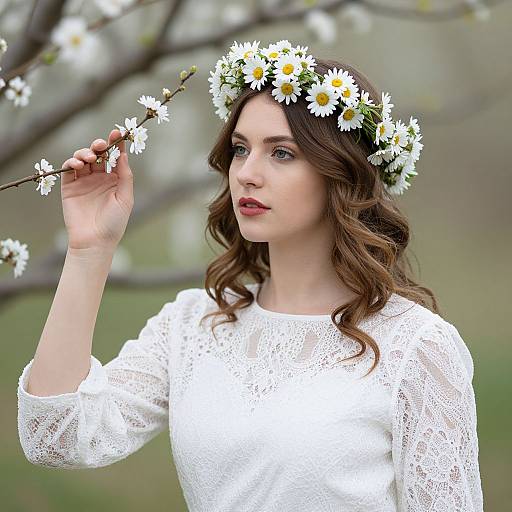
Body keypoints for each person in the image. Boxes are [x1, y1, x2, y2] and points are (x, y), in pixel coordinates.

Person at [17, 40, 483, 511]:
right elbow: (55, 438)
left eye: (281, 153)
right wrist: (89, 250)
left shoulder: (416, 348)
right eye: (241, 149)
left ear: (341, 173)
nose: (247, 173)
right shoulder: (194, 325)